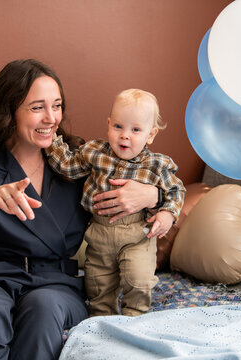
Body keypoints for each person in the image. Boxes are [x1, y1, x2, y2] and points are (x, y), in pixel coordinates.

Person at [0, 59, 162, 360]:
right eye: (37, 107)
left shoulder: (77, 160)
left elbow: (144, 173)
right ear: (8, 110)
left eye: (57, 106)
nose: (51, 118)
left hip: (55, 284)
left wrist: (152, 194)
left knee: (44, 310)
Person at [45, 88, 186, 317]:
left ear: (151, 134)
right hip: (100, 231)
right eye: (118, 126)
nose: (125, 135)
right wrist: (52, 140)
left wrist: (167, 215)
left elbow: (175, 190)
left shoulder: (157, 164)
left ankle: (135, 317)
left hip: (138, 234)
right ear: (109, 124)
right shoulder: (95, 152)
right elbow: (68, 166)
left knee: (138, 279)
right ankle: (102, 320)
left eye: (136, 130)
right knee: (97, 283)